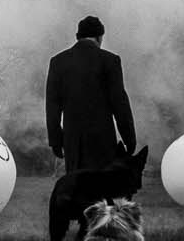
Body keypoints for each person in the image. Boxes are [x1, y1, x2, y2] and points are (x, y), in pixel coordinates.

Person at [45, 15, 136, 173]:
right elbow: (119, 103)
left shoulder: (58, 62)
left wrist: (56, 141)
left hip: (73, 143)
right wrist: (129, 138)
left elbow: (52, 106)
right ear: (100, 37)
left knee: (78, 190)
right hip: (103, 142)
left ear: (77, 37)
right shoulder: (110, 60)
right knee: (101, 191)